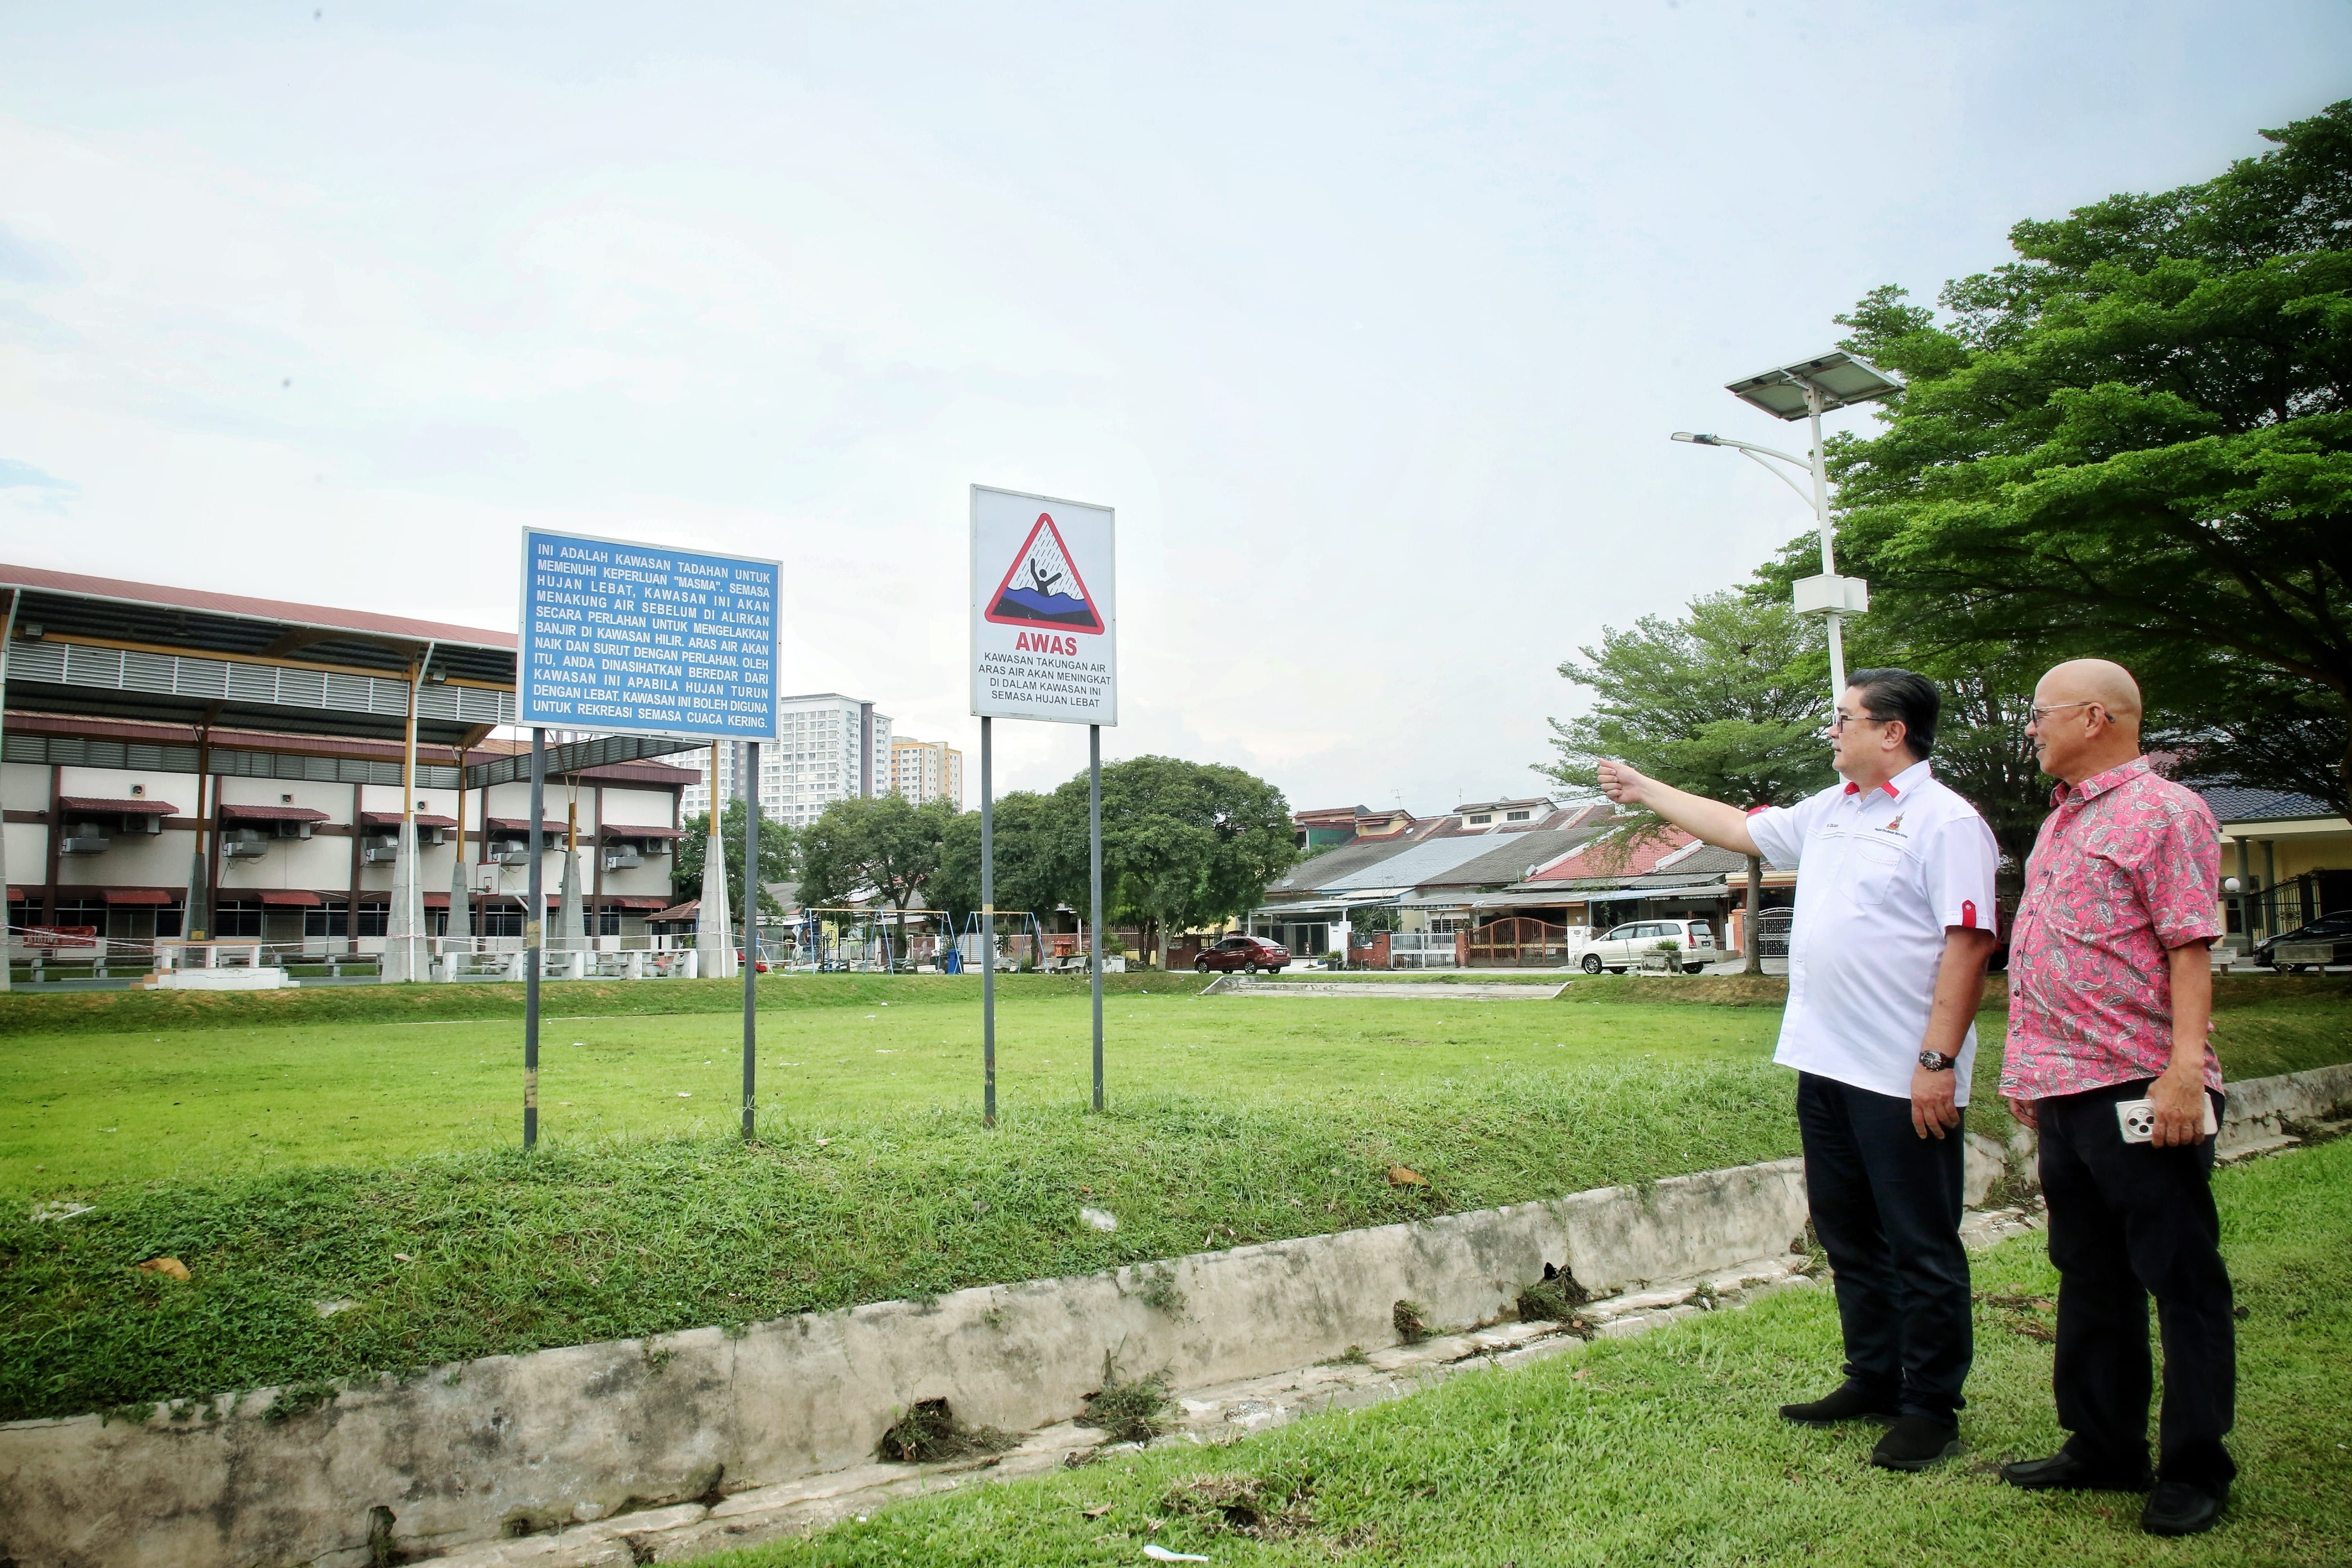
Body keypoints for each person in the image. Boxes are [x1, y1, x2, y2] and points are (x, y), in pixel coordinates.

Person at [1597, 668, 1998, 1471]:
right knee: (1849, 1234)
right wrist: (1646, 788)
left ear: (1893, 732)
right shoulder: (1833, 809)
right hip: (1827, 1063)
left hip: (1903, 1073)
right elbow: (1740, 830)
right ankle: (1873, 1377)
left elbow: (1971, 943)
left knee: (1921, 1243)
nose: (1833, 732)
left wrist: (1936, 1063)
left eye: (1845, 719)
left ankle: (1930, 1407)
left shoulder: (1945, 822)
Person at [1997, 659, 2234, 1538]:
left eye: (2042, 714)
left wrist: (2182, 1072)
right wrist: (2027, 1075)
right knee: (2087, 1274)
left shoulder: (2165, 812)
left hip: (2141, 1083)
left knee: (2181, 1280)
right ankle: (2102, 1444)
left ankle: (2196, 1466)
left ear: (2095, 717)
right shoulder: (2064, 821)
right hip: (2062, 1087)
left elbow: (2188, 946)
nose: (2032, 728)